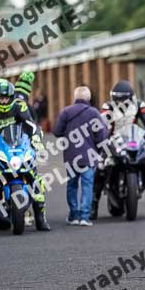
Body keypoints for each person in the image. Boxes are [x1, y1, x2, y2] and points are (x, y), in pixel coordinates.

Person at [0, 78, 50, 231]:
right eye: (1, 97)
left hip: (17, 146)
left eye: (7, 97)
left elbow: (31, 125)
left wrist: (37, 140)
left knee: (37, 178)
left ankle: (41, 218)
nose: (5, 101)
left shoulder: (19, 105)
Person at [92, 80, 145, 219]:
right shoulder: (108, 106)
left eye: (123, 99)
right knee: (100, 168)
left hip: (133, 141)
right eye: (117, 99)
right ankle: (93, 207)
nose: (120, 102)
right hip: (113, 142)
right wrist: (102, 140)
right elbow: (103, 125)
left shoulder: (139, 105)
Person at [53, 86, 108, 226]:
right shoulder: (94, 113)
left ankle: (73, 216)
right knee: (87, 185)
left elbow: (57, 131)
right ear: (88, 98)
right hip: (89, 157)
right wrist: (102, 151)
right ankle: (84, 217)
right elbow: (101, 135)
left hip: (71, 157)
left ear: (75, 97)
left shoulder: (66, 112)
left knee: (72, 185)